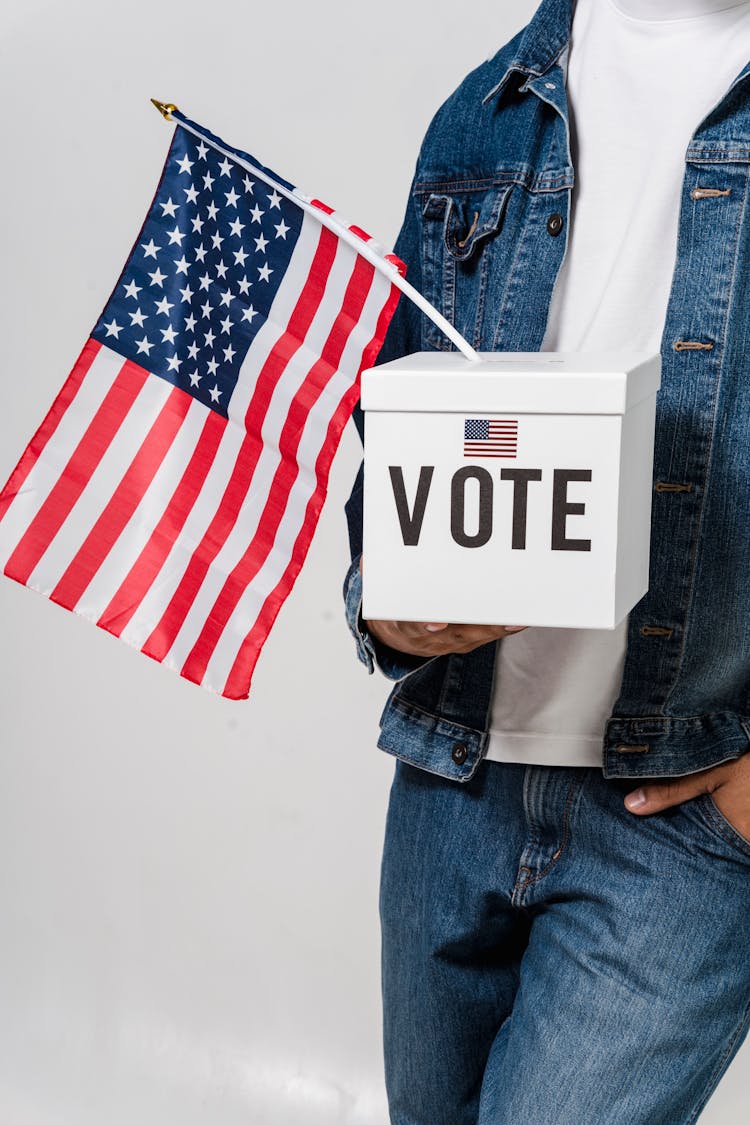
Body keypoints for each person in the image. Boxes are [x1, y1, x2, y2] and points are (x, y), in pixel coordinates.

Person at [343, 0, 750, 1121]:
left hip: (683, 813)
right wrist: (385, 603)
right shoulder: (484, 109)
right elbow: (405, 414)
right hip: (453, 776)